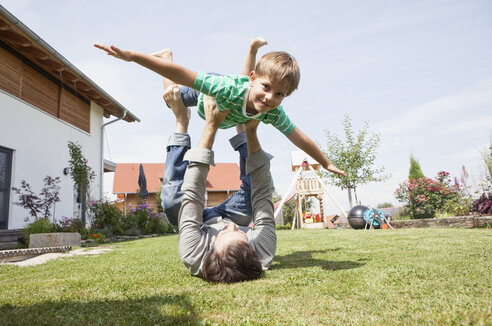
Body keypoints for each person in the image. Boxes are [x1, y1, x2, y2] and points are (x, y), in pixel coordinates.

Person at [94, 39, 346, 176]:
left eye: (280, 94)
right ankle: (166, 53)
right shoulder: (225, 88)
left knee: (245, 105)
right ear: (254, 79)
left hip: (235, 96)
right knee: (170, 96)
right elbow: (182, 74)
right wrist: (132, 56)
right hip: (206, 96)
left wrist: (324, 162)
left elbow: (299, 137)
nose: (270, 98)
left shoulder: (273, 112)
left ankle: (251, 48)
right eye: (267, 87)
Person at [162, 84, 276, 283]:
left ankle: (181, 120)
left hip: (196, 222)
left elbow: (193, 194)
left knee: (172, 202)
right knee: (251, 195)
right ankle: (240, 124)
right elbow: (262, 193)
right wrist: (250, 133)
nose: (233, 226)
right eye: (242, 233)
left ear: (212, 250)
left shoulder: (193, 253)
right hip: (229, 211)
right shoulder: (263, 251)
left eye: (226, 233)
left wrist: (211, 126)